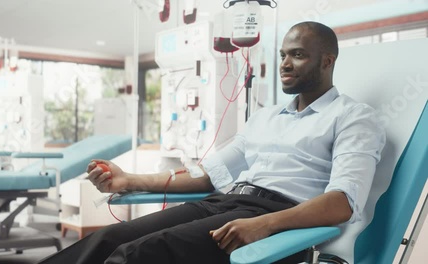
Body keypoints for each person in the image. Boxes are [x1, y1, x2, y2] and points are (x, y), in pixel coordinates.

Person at [39, 21, 386, 264]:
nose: (284, 64)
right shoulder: (266, 117)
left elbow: (342, 203)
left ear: (328, 60)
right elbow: (208, 175)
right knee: (108, 239)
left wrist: (265, 224)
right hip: (224, 202)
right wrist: (126, 180)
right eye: (282, 54)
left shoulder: (353, 117)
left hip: (277, 216)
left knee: (137, 255)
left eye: (297, 55)